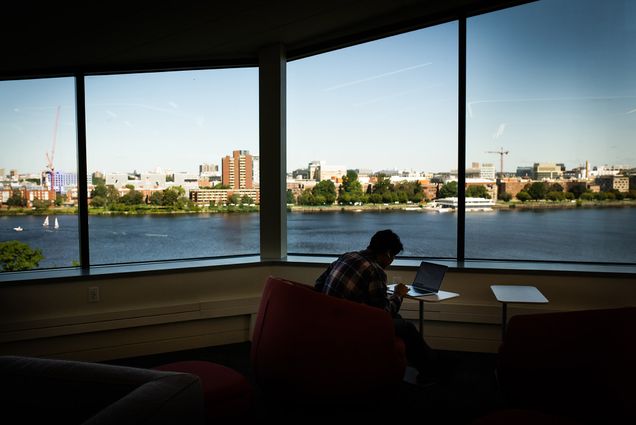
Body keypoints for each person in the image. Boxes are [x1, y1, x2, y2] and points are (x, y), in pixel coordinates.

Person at [315, 229, 437, 385]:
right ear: (387, 253)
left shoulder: (347, 256)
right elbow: (383, 315)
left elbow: (319, 284)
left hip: (330, 317)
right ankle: (431, 370)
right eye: (393, 257)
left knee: (398, 320)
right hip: (351, 325)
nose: (391, 261)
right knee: (407, 328)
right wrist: (398, 295)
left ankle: (410, 363)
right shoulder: (375, 270)